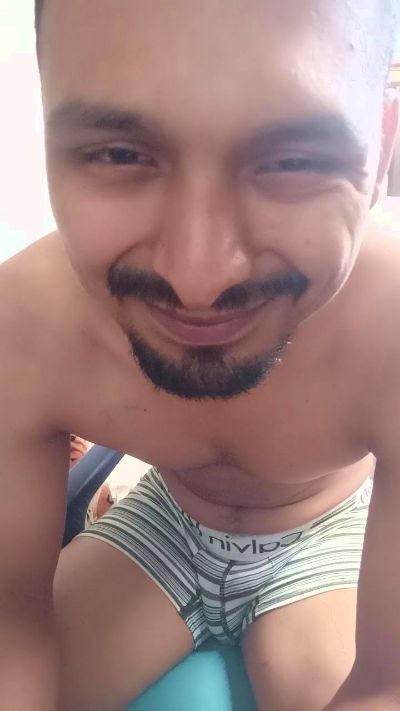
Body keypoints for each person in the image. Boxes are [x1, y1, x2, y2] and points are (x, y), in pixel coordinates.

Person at [1, 0, 400, 709]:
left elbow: (385, 682)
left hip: (331, 532)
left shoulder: (390, 330)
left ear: (383, 155)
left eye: (294, 161)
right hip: (168, 521)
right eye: (122, 154)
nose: (199, 278)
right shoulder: (25, 326)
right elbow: (12, 630)